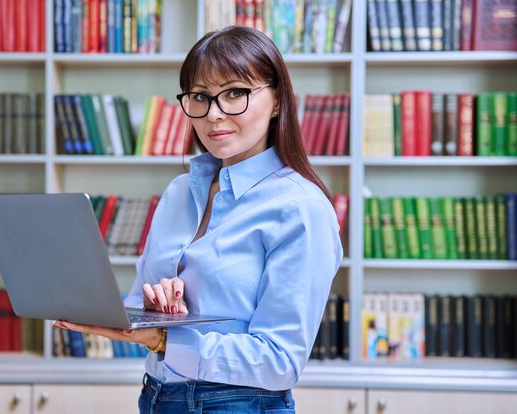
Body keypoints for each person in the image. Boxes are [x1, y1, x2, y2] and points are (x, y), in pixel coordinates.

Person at [54, 25, 343, 414]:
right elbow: (140, 300)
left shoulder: (300, 208)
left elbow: (281, 362)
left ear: (277, 100)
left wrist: (164, 340)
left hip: (239, 404)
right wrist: (148, 311)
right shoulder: (177, 193)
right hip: (157, 395)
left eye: (236, 93)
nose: (214, 114)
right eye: (200, 97)